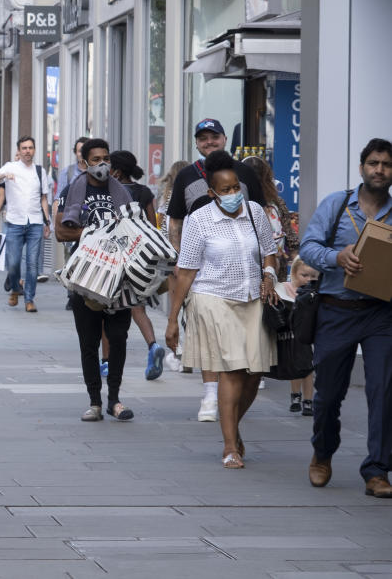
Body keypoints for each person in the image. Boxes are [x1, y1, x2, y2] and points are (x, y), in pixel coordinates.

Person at [165, 150, 279, 469]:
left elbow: (270, 254)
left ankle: (233, 425)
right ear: (212, 193)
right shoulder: (199, 220)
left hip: (253, 298)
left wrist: (269, 275)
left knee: (255, 372)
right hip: (214, 298)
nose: (232, 195)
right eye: (225, 190)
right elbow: (185, 270)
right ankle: (230, 446)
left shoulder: (255, 212)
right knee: (232, 369)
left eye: (235, 188)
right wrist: (173, 320)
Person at [299, 137, 392, 497]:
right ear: (361, 168)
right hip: (336, 311)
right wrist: (337, 257)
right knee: (327, 395)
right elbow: (308, 246)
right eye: (374, 163)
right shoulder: (337, 204)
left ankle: (377, 470)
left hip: (380, 314)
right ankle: (322, 453)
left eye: (386, 164)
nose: (380, 170)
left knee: (383, 391)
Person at [167, 120, 266, 422]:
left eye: (214, 137)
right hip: (204, 275)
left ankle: (229, 410)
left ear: (224, 139)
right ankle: (211, 393)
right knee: (213, 342)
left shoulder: (246, 173)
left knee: (244, 361)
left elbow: (261, 219)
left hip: (245, 277)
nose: (209, 142)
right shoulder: (186, 175)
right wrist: (181, 258)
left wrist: (267, 272)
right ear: (196, 143)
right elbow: (175, 221)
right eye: (203, 138)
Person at [55, 138, 136, 422]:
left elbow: (136, 229)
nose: (102, 164)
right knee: (88, 341)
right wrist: (97, 232)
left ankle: (114, 398)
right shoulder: (72, 189)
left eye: (106, 158)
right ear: (85, 162)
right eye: (95, 159)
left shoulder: (123, 193)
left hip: (118, 276)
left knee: (118, 338)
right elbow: (61, 232)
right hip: (85, 276)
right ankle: (94, 402)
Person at [110, 150, 167, 380]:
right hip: (138, 256)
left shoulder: (112, 191)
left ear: (117, 170)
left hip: (114, 254)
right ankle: (153, 345)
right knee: (137, 307)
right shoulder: (143, 192)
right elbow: (153, 226)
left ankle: (106, 361)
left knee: (108, 308)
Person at [0, 135, 53, 313]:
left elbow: (44, 199)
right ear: (19, 150)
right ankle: (16, 289)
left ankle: (29, 299)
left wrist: (47, 222)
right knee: (14, 262)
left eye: (30, 148)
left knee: (32, 264)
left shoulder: (40, 171)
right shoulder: (11, 167)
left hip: (35, 223)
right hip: (14, 222)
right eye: (24, 148)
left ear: (34, 150)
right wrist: (4, 174)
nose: (27, 151)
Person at [275, 256, 320, 417]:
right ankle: (295, 395)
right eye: (304, 275)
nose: (309, 279)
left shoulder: (315, 292)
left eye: (313, 276)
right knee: (295, 366)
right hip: (289, 335)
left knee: (307, 368)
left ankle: (307, 400)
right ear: (294, 273)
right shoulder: (283, 288)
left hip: (306, 336)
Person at [243, 155, 292, 278]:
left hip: (246, 267)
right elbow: (290, 235)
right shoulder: (276, 202)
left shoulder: (239, 203)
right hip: (276, 267)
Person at [55, 137, 89, 202]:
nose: (83, 154)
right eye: (80, 151)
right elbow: (58, 199)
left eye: (85, 151)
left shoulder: (97, 173)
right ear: (75, 153)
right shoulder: (67, 172)